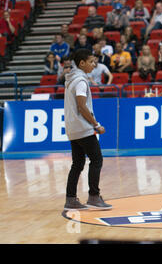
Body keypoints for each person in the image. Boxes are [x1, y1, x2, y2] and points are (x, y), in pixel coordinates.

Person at [63, 48, 112, 211]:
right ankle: (94, 197)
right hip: (83, 128)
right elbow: (82, 106)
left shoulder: (70, 79)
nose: (94, 64)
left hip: (72, 128)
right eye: (91, 62)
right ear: (82, 63)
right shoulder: (81, 81)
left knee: (77, 163)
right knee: (97, 159)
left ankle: (70, 199)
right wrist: (96, 125)